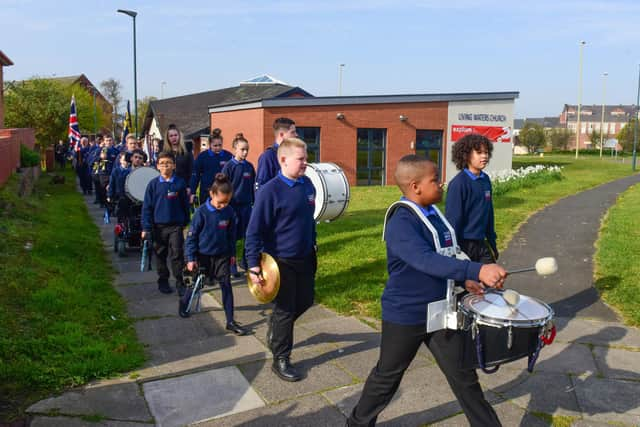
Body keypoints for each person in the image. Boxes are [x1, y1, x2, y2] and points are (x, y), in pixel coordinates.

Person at [346, 155, 507, 427]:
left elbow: (447, 254)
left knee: (464, 377)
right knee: (386, 378)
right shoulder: (401, 221)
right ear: (415, 186)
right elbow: (424, 260)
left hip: (441, 312)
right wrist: (476, 270)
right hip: (406, 316)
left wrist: (463, 281)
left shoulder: (434, 214)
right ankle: (357, 423)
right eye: (435, 179)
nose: (441, 183)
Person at [245, 137, 317, 382]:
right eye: (301, 159)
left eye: (306, 158)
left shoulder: (307, 185)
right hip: (281, 262)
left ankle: (276, 330)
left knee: (306, 301)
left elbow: (309, 219)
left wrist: (313, 241)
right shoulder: (270, 191)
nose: (306, 163)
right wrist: (253, 264)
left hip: (306, 257)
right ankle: (281, 359)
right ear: (283, 160)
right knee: (285, 310)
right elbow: (254, 230)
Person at [183, 173, 248, 335]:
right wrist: (191, 258)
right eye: (220, 202)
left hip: (222, 256)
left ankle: (230, 321)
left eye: (227, 202)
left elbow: (231, 236)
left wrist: (232, 254)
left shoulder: (229, 212)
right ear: (211, 194)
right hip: (203, 256)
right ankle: (184, 304)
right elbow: (191, 237)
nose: (223, 206)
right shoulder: (201, 213)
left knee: (226, 285)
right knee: (196, 284)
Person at [445, 134, 498, 269]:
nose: (484, 156)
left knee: (494, 280)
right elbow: (453, 220)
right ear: (466, 155)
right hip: (463, 245)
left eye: (486, 152)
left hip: (481, 243)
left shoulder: (485, 179)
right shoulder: (458, 184)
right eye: (479, 152)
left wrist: (492, 242)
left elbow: (489, 213)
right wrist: (453, 252)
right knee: (467, 287)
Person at [141, 152, 191, 295]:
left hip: (175, 226)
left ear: (174, 165)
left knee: (177, 255)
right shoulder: (153, 185)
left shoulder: (179, 183)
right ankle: (163, 280)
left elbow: (185, 205)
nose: (165, 166)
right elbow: (147, 208)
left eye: (168, 163)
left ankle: (180, 282)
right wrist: (146, 227)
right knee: (160, 255)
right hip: (158, 227)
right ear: (157, 166)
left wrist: (186, 222)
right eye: (162, 163)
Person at [221, 133, 256, 276]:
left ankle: (246, 261)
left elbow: (254, 185)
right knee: (233, 237)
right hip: (232, 207)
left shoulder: (249, 166)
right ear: (235, 149)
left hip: (247, 206)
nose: (245, 152)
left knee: (249, 234)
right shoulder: (229, 167)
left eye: (247, 149)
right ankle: (232, 264)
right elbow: (223, 186)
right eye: (242, 149)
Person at [190, 128, 232, 204]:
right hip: (206, 193)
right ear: (210, 145)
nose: (218, 148)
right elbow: (195, 175)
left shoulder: (228, 156)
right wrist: (192, 192)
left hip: (223, 192)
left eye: (220, 145)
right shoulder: (202, 157)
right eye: (215, 145)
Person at [255, 117, 297, 191]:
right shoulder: (268, 157)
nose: (296, 135)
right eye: (292, 132)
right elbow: (261, 189)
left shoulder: (292, 155)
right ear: (281, 134)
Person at [162, 124, 193, 197]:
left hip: (183, 187)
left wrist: (189, 187)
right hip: (168, 186)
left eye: (175, 135)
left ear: (179, 136)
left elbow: (191, 170)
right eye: (171, 136)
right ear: (168, 138)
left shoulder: (186, 152)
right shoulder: (164, 153)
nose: (174, 138)